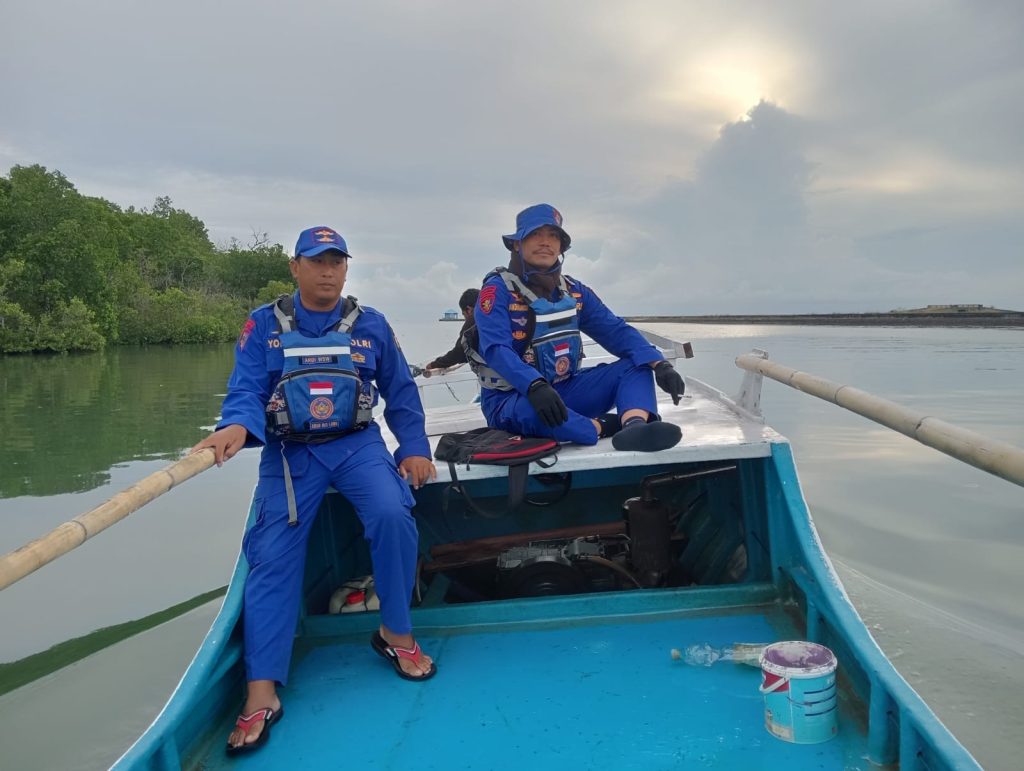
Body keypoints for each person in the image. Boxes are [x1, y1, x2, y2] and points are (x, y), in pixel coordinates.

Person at [191, 226, 438, 756]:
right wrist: (235, 426)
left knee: (393, 514)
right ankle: (262, 690)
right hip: (290, 454)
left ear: (346, 268)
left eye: (336, 261)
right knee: (273, 554)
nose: (327, 271)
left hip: (357, 445)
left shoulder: (372, 325)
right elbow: (246, 389)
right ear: (295, 267)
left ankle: (395, 633)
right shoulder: (263, 324)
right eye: (316, 261)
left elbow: (400, 391)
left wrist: (414, 447)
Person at [467, 204, 686, 452]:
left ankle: (634, 428)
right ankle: (602, 427)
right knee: (531, 412)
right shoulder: (496, 291)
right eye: (535, 234)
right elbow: (496, 349)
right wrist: (534, 385)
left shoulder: (574, 291)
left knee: (637, 365)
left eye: (553, 236)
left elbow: (616, 330)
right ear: (517, 244)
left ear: (561, 246)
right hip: (511, 398)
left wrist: (661, 365)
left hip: (563, 390)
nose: (545, 242)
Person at [421, 287, 479, 375]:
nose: (465, 319)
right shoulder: (495, 315)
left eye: (464, 314)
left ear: (469, 309)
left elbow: (459, 352)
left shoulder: (474, 319)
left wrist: (434, 364)